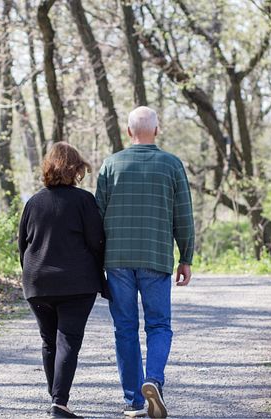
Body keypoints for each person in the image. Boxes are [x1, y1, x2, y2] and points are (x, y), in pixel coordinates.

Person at [95, 106, 195, 418]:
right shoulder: (171, 164)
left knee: (124, 327)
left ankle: (134, 400)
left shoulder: (111, 164)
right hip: (156, 256)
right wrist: (186, 257)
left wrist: (96, 260)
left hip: (118, 260)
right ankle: (153, 380)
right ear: (157, 130)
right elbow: (184, 216)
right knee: (159, 324)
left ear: (128, 132)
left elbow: (96, 217)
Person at [18, 142, 109, 419]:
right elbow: (97, 242)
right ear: (76, 169)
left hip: (38, 283)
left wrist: (31, 273)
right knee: (68, 339)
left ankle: (57, 399)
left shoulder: (33, 202)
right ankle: (59, 402)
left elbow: (22, 245)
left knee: (49, 341)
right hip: (76, 284)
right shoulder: (84, 201)